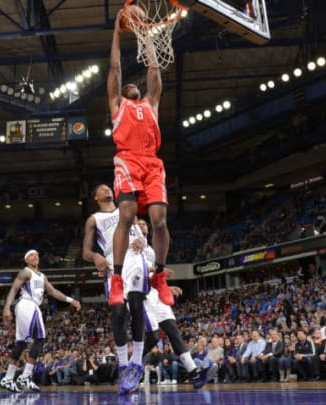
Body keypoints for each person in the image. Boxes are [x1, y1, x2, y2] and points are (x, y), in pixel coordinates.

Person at [107, 7, 172, 312]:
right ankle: (117, 279)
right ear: (121, 93)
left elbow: (154, 71)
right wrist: (117, 33)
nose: (130, 85)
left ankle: (159, 274)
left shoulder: (151, 103)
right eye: (125, 86)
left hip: (151, 162)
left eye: (135, 86)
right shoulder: (117, 103)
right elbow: (115, 67)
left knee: (158, 221)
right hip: (128, 161)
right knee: (127, 216)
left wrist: (145, 32)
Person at [81, 184, 150, 394]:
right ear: (96, 197)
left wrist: (143, 239)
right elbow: (85, 251)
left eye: (107, 187)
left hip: (135, 256)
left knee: (137, 306)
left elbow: (141, 234)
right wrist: (95, 256)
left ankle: (136, 363)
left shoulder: (125, 207)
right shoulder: (94, 219)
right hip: (113, 261)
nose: (106, 190)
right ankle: (123, 365)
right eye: (101, 189)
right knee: (119, 312)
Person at [137, 218, 208, 388]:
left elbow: (156, 278)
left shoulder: (151, 251)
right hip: (141, 296)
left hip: (155, 294)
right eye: (138, 224)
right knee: (153, 337)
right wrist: (157, 269)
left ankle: (194, 373)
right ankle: (133, 363)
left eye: (144, 224)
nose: (142, 225)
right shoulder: (130, 247)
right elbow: (137, 269)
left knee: (173, 332)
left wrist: (166, 288)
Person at [0, 249, 81, 393]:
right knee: (40, 338)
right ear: (26, 260)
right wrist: (7, 307)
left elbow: (53, 292)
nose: (35, 256)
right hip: (28, 304)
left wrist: (71, 299)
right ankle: (25, 376)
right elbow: (13, 289)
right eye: (31, 255)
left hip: (27, 307)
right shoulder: (25, 272)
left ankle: (8, 378)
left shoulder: (42, 276)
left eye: (37, 254)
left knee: (21, 343)